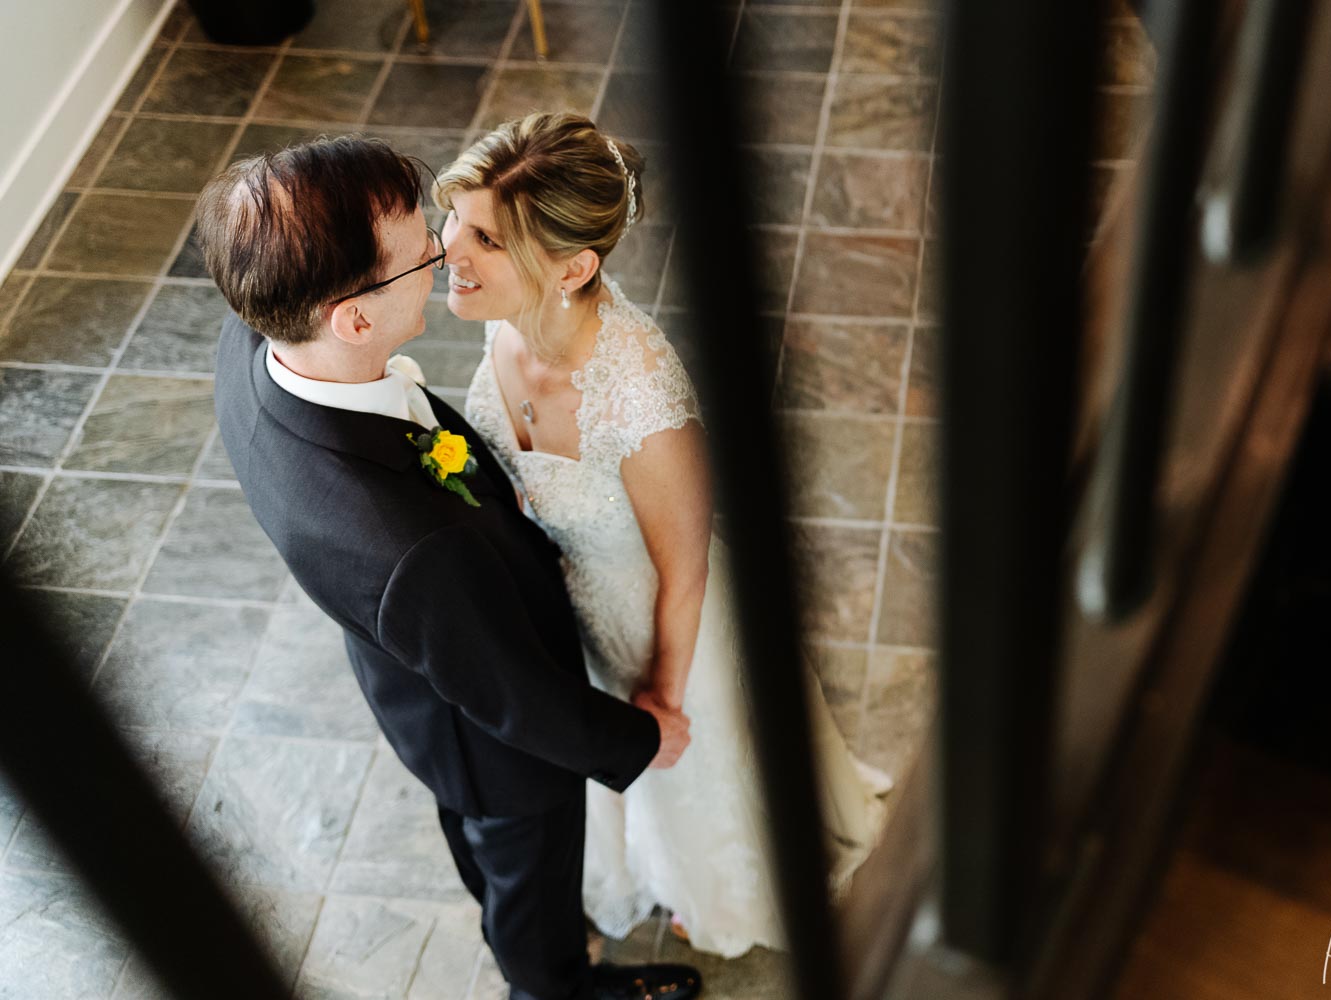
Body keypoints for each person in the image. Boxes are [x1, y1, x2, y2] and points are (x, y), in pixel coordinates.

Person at [200, 135, 703, 1000]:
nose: (443, 253)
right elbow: (518, 698)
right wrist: (642, 736)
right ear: (353, 318)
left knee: (483, 847)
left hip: (416, 668)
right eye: (421, 253)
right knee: (523, 865)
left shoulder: (256, 341)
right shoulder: (407, 548)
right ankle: (553, 986)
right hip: (489, 737)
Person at [436, 112, 893, 958]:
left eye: (486, 240)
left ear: (574, 268)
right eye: (455, 221)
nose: (449, 251)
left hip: (662, 621)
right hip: (572, 609)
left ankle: (716, 886)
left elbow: (684, 574)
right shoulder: (507, 324)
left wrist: (663, 702)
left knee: (692, 769)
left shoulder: (640, 397)